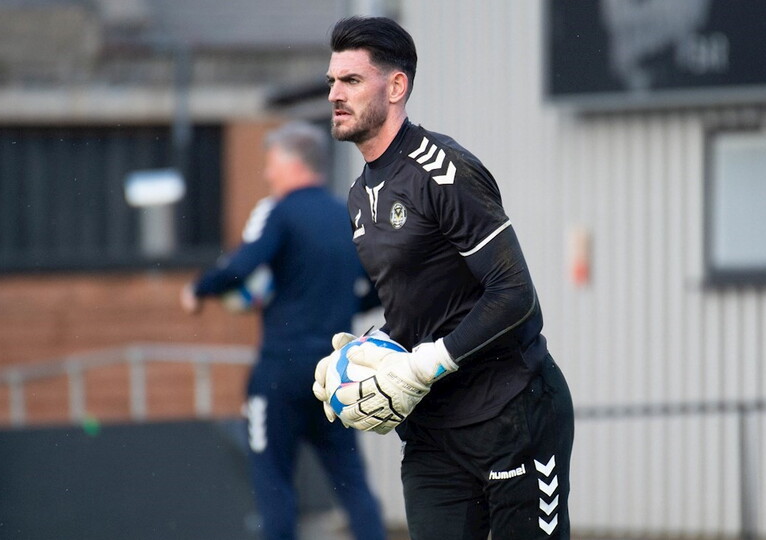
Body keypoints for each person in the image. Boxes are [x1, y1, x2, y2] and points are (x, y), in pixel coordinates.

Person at [312, 16, 575, 540]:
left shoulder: (443, 171)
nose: (335, 94)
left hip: (513, 413)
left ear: (396, 87)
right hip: (432, 433)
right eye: (332, 81)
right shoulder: (359, 196)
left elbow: (515, 295)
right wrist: (375, 348)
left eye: (352, 80)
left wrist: (426, 363)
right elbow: (423, 303)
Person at [181, 121, 386, 540]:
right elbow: (378, 289)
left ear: (294, 164)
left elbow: (241, 267)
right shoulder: (347, 216)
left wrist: (198, 290)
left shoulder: (281, 213)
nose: (267, 174)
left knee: (273, 483)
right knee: (352, 485)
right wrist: (341, 304)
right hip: (333, 375)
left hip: (280, 374)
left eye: (271, 164)